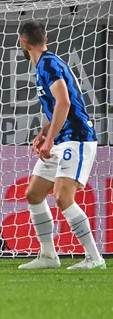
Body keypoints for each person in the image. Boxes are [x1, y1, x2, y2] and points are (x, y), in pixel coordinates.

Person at [17, 20, 105, 270]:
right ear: (44, 38)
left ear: (23, 42)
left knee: (63, 197)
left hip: (76, 139)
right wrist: (45, 132)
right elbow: (58, 106)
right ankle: (48, 256)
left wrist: (52, 138)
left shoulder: (48, 64)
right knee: (33, 193)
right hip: (62, 138)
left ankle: (94, 259)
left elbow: (64, 103)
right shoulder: (45, 64)